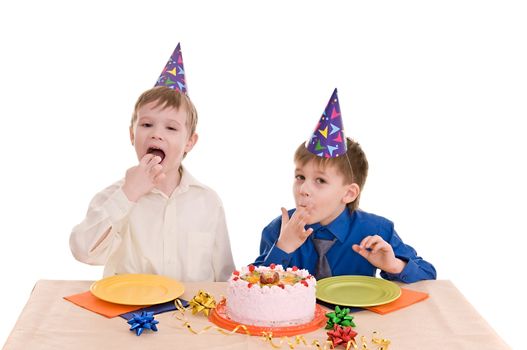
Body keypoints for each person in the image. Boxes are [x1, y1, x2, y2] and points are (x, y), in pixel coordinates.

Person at [70, 43, 235, 282]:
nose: (157, 134)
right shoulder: (114, 197)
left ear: (190, 142)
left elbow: (224, 275)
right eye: (147, 125)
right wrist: (129, 194)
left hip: (188, 316)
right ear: (131, 135)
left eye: (171, 127)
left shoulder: (207, 201)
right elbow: (84, 252)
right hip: (130, 316)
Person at [254, 89, 436, 283]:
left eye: (320, 180)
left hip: (359, 314)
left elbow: (428, 275)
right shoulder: (279, 230)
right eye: (300, 177)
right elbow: (249, 288)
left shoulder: (376, 229)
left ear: (349, 193)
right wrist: (283, 247)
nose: (303, 189)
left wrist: (393, 265)